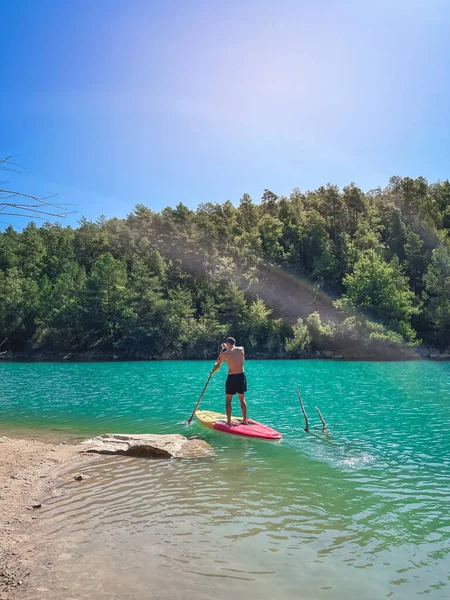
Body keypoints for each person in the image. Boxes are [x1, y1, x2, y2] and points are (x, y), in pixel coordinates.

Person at [211, 337, 248, 426]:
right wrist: (227, 346)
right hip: (241, 376)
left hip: (232, 378)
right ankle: (245, 420)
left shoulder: (224, 354)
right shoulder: (241, 349)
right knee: (242, 400)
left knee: (228, 400)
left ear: (228, 344)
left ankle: (228, 421)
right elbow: (233, 350)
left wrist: (212, 372)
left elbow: (218, 366)